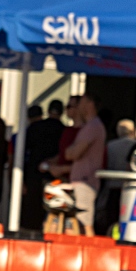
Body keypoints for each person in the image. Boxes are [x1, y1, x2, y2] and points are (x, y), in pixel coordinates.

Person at [49, 93, 107, 233]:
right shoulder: (90, 127)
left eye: (81, 103)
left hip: (85, 183)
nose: (78, 106)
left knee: (84, 223)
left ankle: (89, 247)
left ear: (90, 104)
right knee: (73, 222)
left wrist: (71, 151)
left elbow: (73, 153)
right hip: (80, 182)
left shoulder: (92, 127)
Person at [21, 99, 65, 230]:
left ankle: (30, 234)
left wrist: (22, 178)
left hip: (33, 174)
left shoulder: (35, 128)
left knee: (32, 211)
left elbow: (23, 152)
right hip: (55, 175)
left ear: (48, 111)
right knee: (52, 210)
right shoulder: (64, 131)